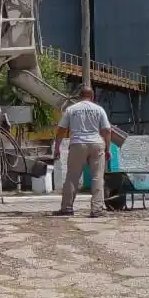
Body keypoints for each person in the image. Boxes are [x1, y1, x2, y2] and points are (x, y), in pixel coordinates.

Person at [53, 87, 112, 218]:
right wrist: (107, 148)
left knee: (72, 177)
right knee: (97, 177)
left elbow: (62, 130)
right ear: (92, 97)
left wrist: (57, 147)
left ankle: (67, 208)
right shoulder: (99, 109)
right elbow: (107, 131)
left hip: (77, 144)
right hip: (96, 143)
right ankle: (97, 209)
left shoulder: (71, 109)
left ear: (79, 96)